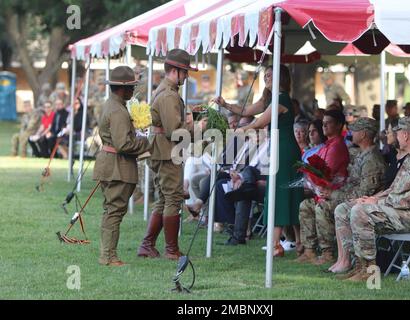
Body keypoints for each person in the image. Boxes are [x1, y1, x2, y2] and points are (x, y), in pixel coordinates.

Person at [335, 117, 410, 281]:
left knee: (360, 212)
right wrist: (372, 198)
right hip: (398, 211)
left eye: (398, 133)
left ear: (406, 135)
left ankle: (369, 271)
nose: (396, 137)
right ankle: (358, 264)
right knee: (344, 209)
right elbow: (394, 190)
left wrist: (378, 203)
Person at [214, 64, 302, 257]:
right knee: (282, 193)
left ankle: (277, 244)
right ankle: (294, 242)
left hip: (285, 149)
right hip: (278, 148)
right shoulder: (270, 99)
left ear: (282, 77)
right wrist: (226, 105)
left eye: (271, 75)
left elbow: (258, 123)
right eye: (266, 75)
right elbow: (246, 111)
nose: (266, 78)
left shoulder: (282, 99)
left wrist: (240, 131)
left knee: (281, 194)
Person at [137, 49, 200, 261]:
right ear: (175, 71)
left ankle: (147, 245)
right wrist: (198, 127)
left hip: (162, 151)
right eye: (185, 71)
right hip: (167, 152)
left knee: (164, 198)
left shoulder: (166, 91)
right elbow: (175, 131)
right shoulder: (169, 95)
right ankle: (171, 250)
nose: (187, 76)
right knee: (172, 197)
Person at [92, 66, 151, 267]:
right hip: (117, 167)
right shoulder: (118, 110)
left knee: (111, 210)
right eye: (131, 87)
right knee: (114, 212)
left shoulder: (112, 105)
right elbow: (124, 144)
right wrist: (145, 140)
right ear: (121, 88)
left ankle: (107, 255)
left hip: (109, 165)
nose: (133, 90)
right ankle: (108, 257)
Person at [329, 118, 387, 273]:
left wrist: (336, 195)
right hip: (357, 199)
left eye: (354, 130)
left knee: (341, 207)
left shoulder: (372, 159)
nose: (350, 133)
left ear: (364, 134)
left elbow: (365, 191)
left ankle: (347, 260)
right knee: (338, 207)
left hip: (368, 204)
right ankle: (342, 258)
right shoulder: (364, 155)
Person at [297, 110, 350, 264]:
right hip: (323, 192)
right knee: (305, 205)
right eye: (324, 122)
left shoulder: (337, 145)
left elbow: (325, 173)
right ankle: (309, 250)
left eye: (329, 122)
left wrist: (314, 179)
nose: (324, 125)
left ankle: (327, 252)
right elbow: (313, 170)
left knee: (321, 207)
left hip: (336, 194)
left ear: (339, 125)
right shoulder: (326, 145)